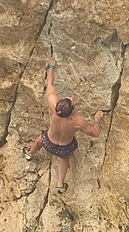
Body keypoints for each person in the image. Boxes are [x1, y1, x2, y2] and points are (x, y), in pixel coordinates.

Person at [24, 56, 105, 193]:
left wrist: (50, 67)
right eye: (71, 100)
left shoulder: (53, 106)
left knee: (40, 141)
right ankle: (60, 185)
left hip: (48, 141)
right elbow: (96, 133)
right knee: (64, 159)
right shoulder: (78, 121)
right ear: (72, 110)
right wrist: (97, 120)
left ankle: (30, 154)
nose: (71, 98)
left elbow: (50, 85)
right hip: (64, 148)